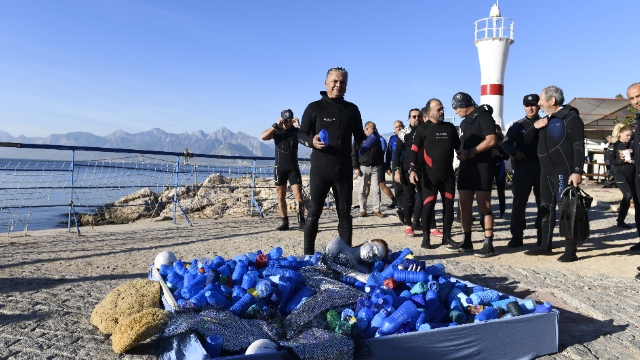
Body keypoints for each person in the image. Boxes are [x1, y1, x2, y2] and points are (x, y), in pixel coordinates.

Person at [298, 67, 367, 255]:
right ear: (326, 83)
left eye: (342, 82)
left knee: (345, 215)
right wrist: (311, 141)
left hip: (343, 170)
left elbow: (359, 137)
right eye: (335, 81)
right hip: (320, 169)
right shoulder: (314, 107)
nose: (338, 85)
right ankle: (308, 254)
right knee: (314, 213)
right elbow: (301, 133)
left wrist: (368, 144)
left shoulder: (352, 109)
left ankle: (345, 256)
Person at [523, 85, 585, 262]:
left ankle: (570, 251)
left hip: (563, 171)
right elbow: (526, 140)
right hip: (546, 171)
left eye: (542, 99)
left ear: (552, 100)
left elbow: (579, 146)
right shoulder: (545, 120)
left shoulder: (571, 117)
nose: (539, 103)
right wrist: (535, 127)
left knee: (566, 209)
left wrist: (577, 171)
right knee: (545, 207)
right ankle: (545, 246)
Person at [446, 93, 497, 258]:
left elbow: (491, 140)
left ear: (464, 104)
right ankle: (466, 240)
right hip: (465, 167)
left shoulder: (484, 116)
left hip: (482, 167)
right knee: (464, 205)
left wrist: (472, 152)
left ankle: (488, 243)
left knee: (484, 206)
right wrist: (462, 152)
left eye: (456, 108)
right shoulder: (463, 122)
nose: (455, 112)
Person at [408, 98, 460, 249]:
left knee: (448, 207)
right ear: (429, 113)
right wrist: (411, 170)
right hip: (430, 176)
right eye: (439, 109)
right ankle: (426, 239)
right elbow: (413, 151)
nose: (442, 111)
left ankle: (447, 238)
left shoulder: (450, 128)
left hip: (448, 175)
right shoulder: (423, 129)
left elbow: (459, 148)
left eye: (443, 108)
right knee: (428, 206)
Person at [502, 94, 542, 248]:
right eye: (527, 105)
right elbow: (505, 144)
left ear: (538, 106)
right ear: (524, 107)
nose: (530, 108)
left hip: (541, 167)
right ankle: (517, 236)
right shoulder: (517, 125)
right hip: (522, 167)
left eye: (533, 105)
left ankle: (542, 235)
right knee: (519, 203)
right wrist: (515, 152)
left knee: (542, 203)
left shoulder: (546, 123)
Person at [261, 109, 305, 231]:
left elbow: (308, 139)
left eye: (290, 120)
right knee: (281, 196)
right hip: (280, 168)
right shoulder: (277, 131)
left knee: (298, 196)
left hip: (293, 168)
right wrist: (275, 126)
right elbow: (263, 136)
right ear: (282, 119)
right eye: (286, 120)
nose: (288, 123)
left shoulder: (296, 131)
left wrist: (299, 125)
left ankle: (302, 222)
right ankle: (285, 222)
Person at [394, 109, 423, 237]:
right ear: (409, 119)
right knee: (408, 198)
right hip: (406, 170)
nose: (416, 118)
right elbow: (397, 153)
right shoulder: (403, 133)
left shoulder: (426, 130)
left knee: (425, 197)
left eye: (418, 116)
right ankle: (408, 225)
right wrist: (397, 170)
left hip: (424, 169)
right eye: (414, 116)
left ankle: (427, 224)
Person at [352, 121, 384, 218]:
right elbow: (353, 154)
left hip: (375, 167)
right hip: (363, 167)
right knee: (361, 189)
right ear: (366, 129)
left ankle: (376, 209)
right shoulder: (358, 140)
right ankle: (362, 210)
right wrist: (355, 167)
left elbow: (381, 152)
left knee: (376, 189)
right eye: (373, 129)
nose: (375, 130)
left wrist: (381, 165)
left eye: (375, 128)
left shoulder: (377, 139)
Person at [321, 237, 389, 281]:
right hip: (317, 276)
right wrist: (355, 274)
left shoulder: (364, 270)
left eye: (376, 257)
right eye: (374, 249)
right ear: (367, 241)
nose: (371, 255)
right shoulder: (339, 242)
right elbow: (325, 262)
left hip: (333, 287)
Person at [610, 125, 637, 230]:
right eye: (627, 135)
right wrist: (623, 160)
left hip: (632, 173)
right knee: (628, 194)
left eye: (631, 135)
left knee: (633, 196)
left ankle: (621, 219)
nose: (629, 137)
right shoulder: (614, 145)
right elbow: (610, 161)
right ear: (620, 134)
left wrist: (632, 157)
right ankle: (620, 219)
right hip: (619, 173)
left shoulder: (633, 145)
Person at [624, 82, 640, 251]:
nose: (636, 101)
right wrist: (632, 151)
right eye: (632, 98)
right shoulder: (638, 118)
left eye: (638, 96)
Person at [386, 120, 406, 221]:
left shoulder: (408, 137)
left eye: (400, 126)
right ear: (394, 129)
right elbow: (389, 153)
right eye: (396, 127)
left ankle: (410, 207)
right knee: (397, 187)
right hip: (396, 165)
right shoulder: (392, 139)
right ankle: (400, 208)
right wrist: (387, 166)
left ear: (403, 127)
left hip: (406, 165)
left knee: (407, 187)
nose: (398, 128)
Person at [492, 125, 509, 219]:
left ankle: (502, 212)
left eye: (496, 134)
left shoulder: (502, 143)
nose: (494, 135)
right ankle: (488, 212)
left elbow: (507, 157)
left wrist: (499, 153)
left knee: (501, 191)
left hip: (500, 168)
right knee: (486, 192)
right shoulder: (487, 142)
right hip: (488, 168)